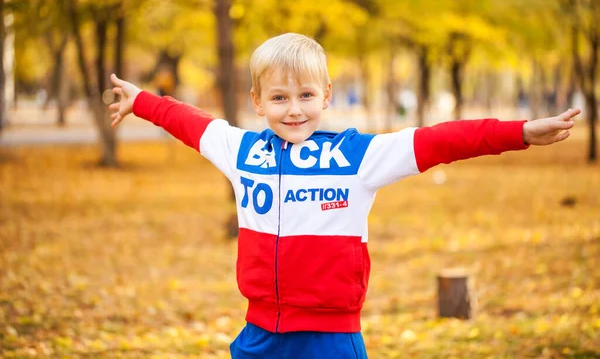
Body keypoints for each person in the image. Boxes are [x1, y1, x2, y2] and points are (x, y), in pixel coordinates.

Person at [109, 33, 581, 359]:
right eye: (278, 98)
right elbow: (190, 122)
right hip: (259, 337)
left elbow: (440, 141)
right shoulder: (242, 150)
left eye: (306, 96)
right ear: (257, 101)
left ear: (327, 95)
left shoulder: (357, 156)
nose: (294, 110)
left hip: (332, 340)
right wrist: (142, 101)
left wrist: (518, 131)